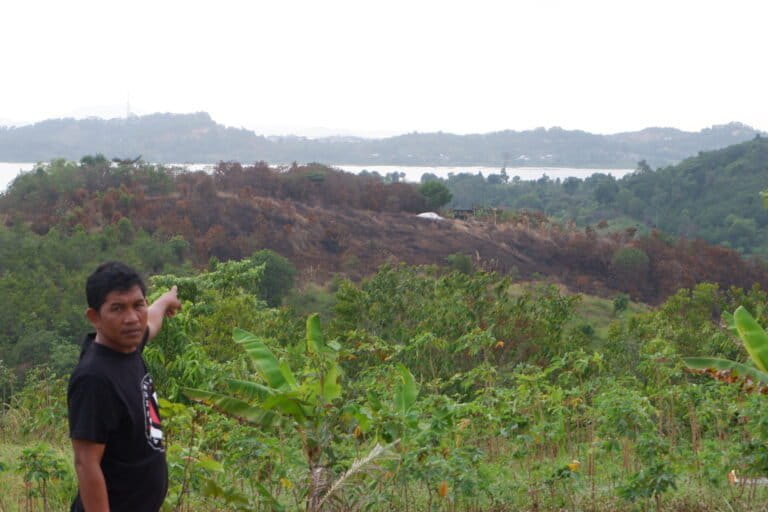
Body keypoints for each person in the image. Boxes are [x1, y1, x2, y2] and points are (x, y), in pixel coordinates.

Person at [67, 261, 182, 512]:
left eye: (137, 304)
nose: (132, 318)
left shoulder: (126, 346)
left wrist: (164, 301)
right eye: (117, 308)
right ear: (94, 317)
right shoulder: (94, 378)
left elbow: (150, 322)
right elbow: (86, 463)